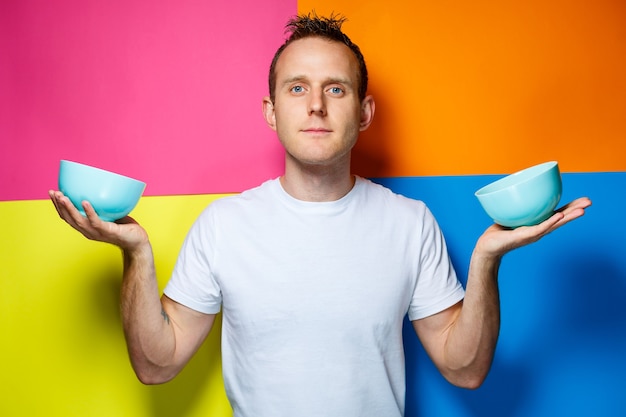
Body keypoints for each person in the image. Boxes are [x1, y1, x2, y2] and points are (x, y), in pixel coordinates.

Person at [49, 13, 591, 417]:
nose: (315, 106)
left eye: (336, 88)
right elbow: (156, 365)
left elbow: (465, 368)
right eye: (297, 88)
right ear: (272, 111)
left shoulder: (410, 222)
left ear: (364, 112)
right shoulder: (224, 225)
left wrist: (486, 259)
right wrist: (136, 253)